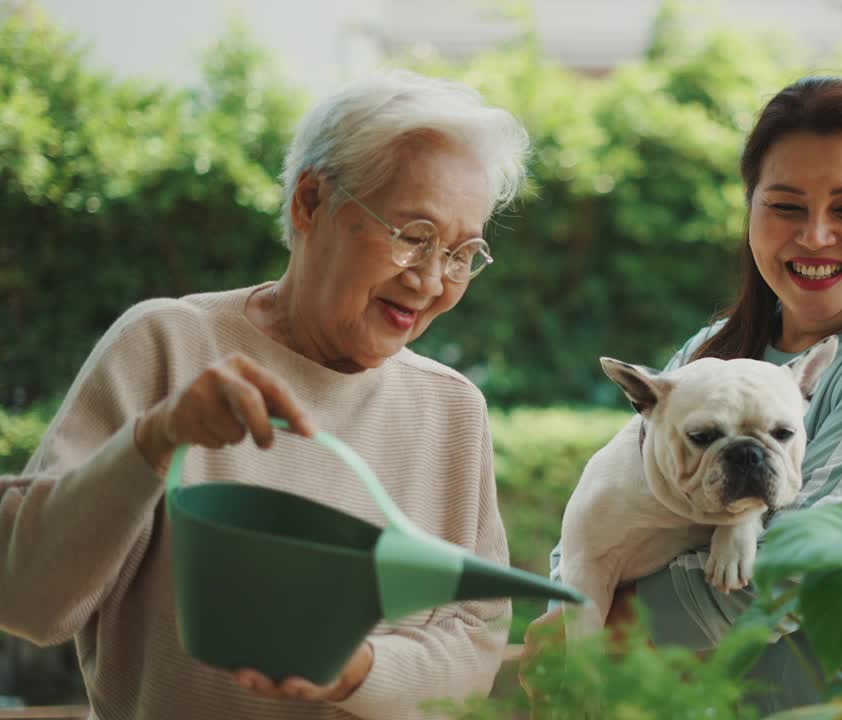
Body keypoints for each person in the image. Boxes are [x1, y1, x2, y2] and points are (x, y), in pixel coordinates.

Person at [0, 70, 529, 719]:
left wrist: (356, 672)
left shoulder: (452, 409)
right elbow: (26, 600)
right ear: (310, 203)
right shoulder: (167, 345)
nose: (431, 281)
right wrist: (154, 440)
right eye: (414, 236)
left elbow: (473, 640)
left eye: (460, 253)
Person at [531, 76, 842, 714]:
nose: (815, 236)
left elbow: (800, 569)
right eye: (787, 206)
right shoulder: (711, 352)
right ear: (752, 213)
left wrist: (587, 635)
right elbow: (602, 511)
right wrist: (570, 605)